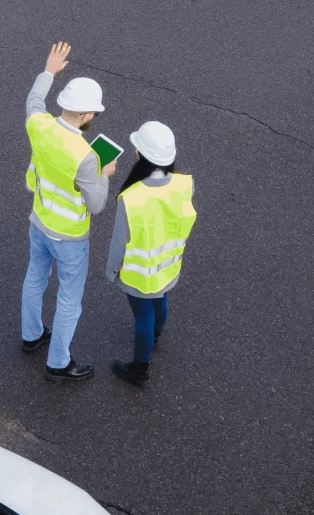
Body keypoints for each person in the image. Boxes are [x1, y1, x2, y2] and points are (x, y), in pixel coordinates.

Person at [22, 42, 114, 381]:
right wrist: (104, 173)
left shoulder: (39, 124)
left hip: (39, 221)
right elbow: (97, 205)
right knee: (69, 300)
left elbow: (34, 99)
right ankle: (58, 362)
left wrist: (49, 70)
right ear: (87, 116)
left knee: (35, 278)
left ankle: (31, 336)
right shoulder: (87, 156)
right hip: (70, 237)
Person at [104, 121, 196, 387]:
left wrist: (111, 272)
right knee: (160, 302)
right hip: (168, 266)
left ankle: (139, 368)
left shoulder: (131, 197)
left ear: (140, 155)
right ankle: (155, 336)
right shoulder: (185, 184)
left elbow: (119, 241)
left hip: (139, 274)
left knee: (142, 317)